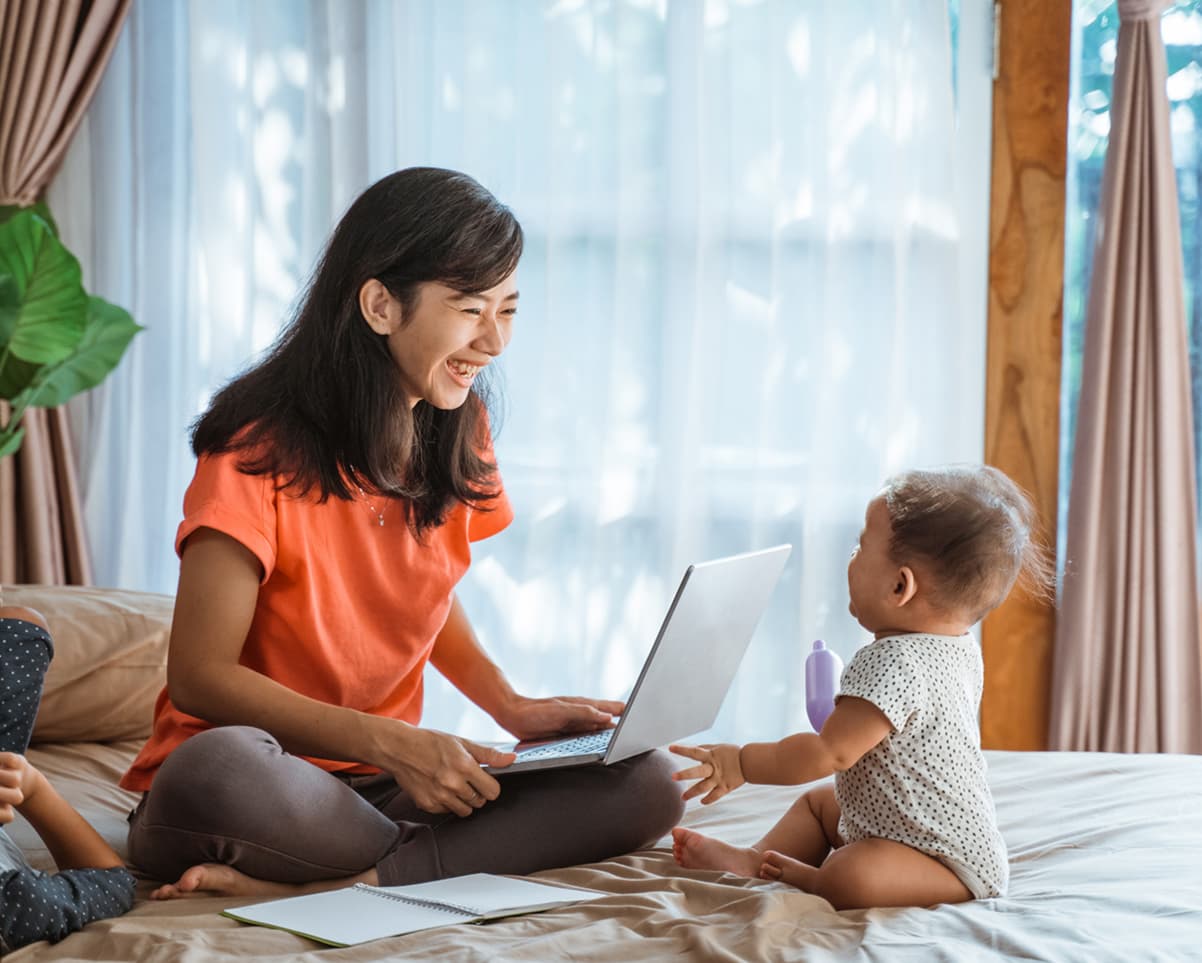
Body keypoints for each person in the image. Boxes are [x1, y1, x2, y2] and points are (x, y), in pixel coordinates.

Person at [120, 167, 682, 899]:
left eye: (508, 310)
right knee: (219, 767)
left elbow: (423, 590)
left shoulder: (460, 427)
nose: (494, 340)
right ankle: (424, 865)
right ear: (381, 305)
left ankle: (360, 879)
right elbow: (200, 675)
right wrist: (390, 741)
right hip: (261, 783)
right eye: (471, 309)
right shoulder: (252, 450)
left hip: (374, 794)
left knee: (647, 779)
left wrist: (510, 706)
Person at [669, 465, 1053, 910]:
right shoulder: (960, 647)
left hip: (947, 864)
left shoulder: (892, 660)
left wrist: (741, 763)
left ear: (899, 585)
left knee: (853, 871)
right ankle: (757, 859)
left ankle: (808, 878)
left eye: (860, 547)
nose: (850, 557)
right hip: (901, 825)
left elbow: (828, 753)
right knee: (819, 806)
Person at [0, 606, 136, 951]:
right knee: (24, 626)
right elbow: (112, 881)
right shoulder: (18, 905)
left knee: (23, 625)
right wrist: (31, 787)